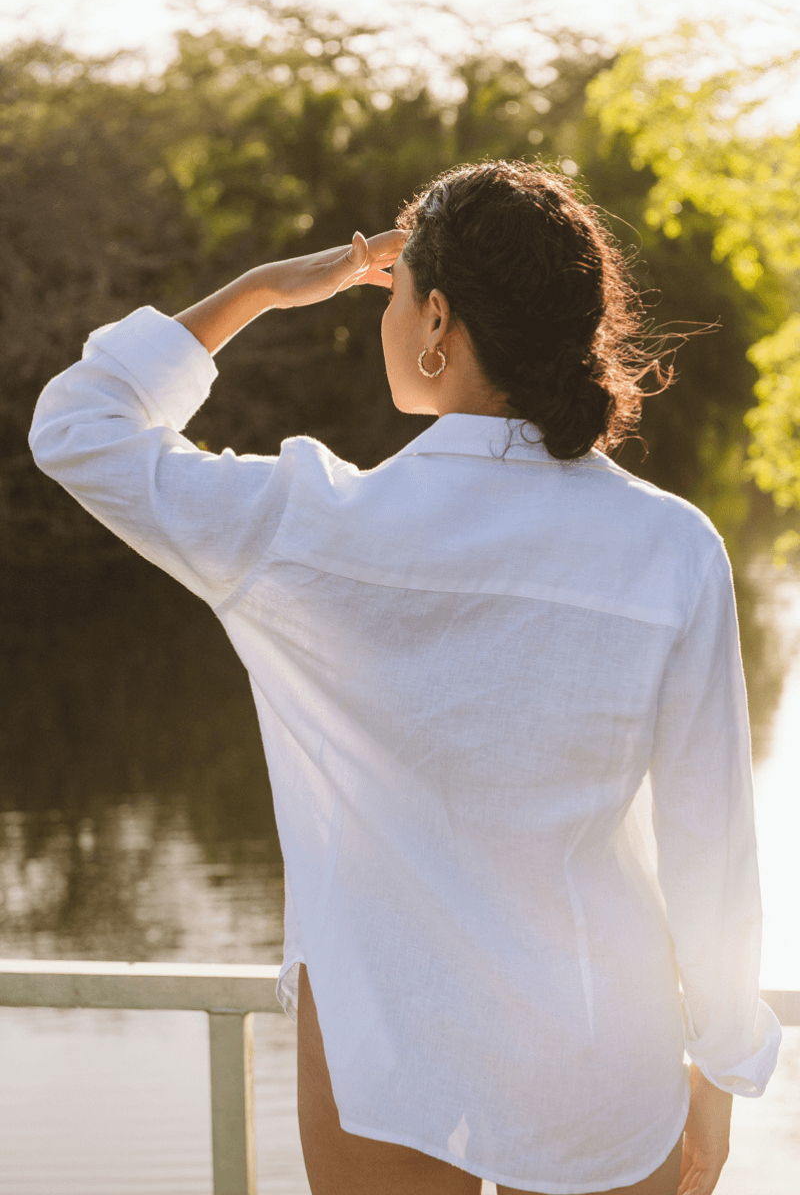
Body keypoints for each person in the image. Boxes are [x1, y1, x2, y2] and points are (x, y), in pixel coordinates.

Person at [30, 160, 781, 1195]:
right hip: (603, 1052)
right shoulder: (670, 548)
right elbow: (710, 846)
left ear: (436, 320)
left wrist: (263, 288)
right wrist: (728, 1065)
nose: (375, 315)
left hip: (382, 1044)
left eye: (390, 293)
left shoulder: (305, 530)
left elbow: (80, 424)